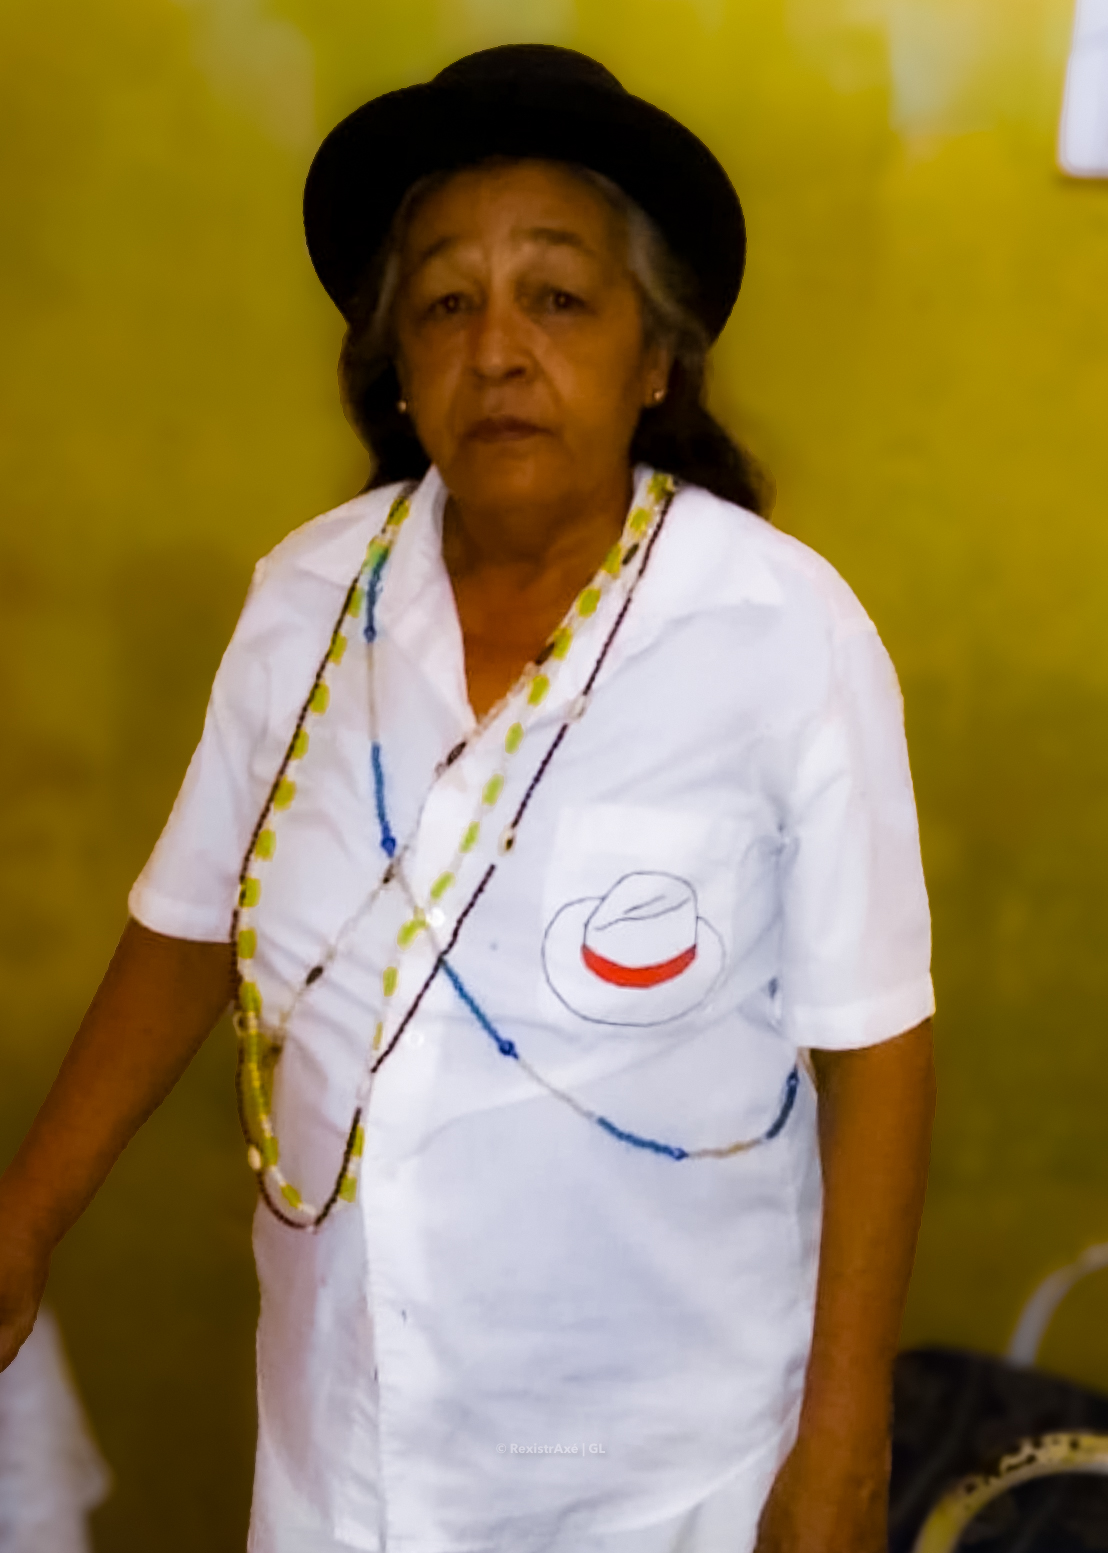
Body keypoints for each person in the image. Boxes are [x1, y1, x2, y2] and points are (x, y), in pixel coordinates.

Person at [0, 43, 936, 1553]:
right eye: (446, 304)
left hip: (665, 1482)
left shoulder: (780, 633)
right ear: (399, 363)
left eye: (557, 298)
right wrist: (27, 1216)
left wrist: (841, 1446)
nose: (497, 348)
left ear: (654, 359)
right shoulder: (307, 599)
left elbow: (877, 1049)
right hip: (348, 1466)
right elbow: (187, 930)